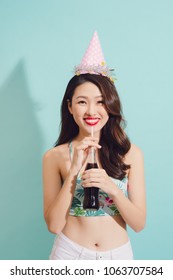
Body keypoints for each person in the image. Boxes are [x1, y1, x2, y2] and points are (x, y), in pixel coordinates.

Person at [42, 32, 146, 260]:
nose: (91, 111)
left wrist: (111, 188)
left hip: (117, 257)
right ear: (70, 107)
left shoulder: (130, 153)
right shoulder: (54, 157)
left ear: (110, 105)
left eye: (100, 102)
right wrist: (73, 172)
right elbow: (54, 225)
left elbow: (138, 224)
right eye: (82, 102)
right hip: (69, 254)